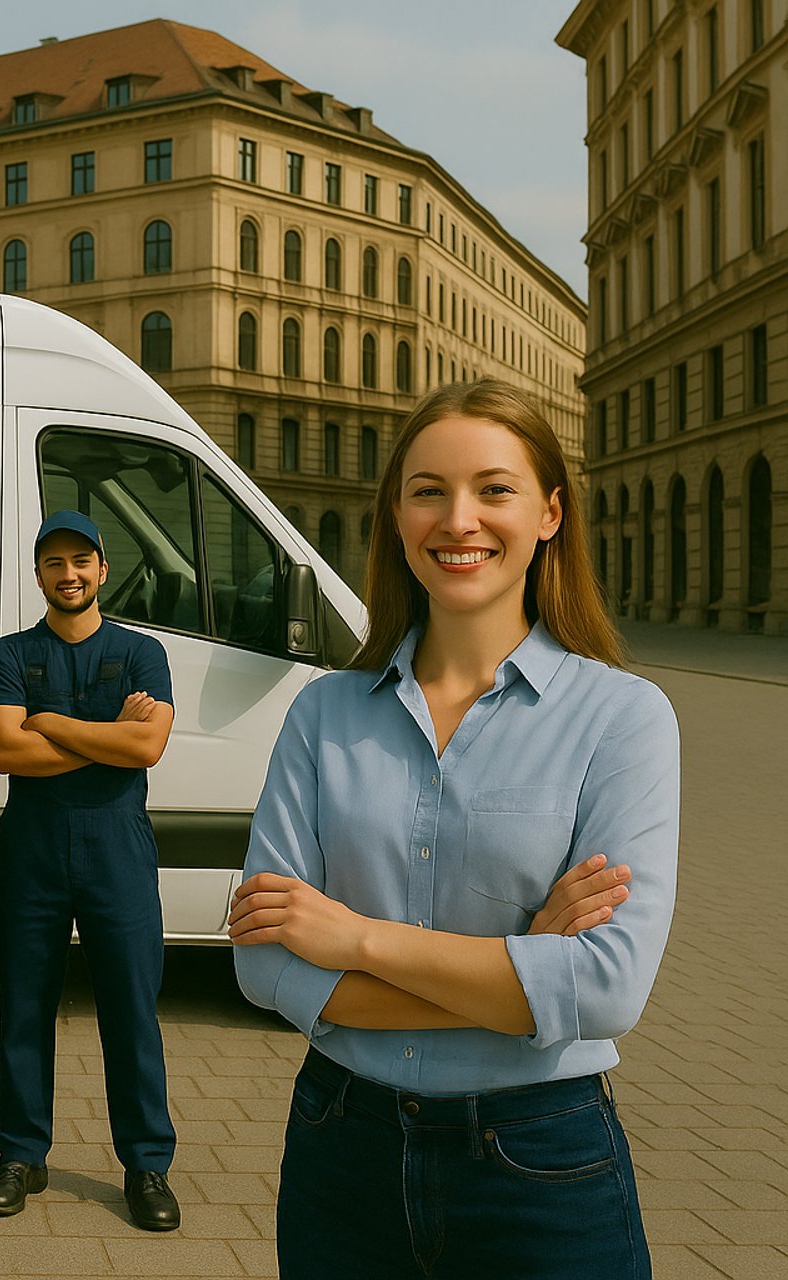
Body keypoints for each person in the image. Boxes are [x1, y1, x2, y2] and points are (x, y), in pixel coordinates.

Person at [230, 379, 677, 1279]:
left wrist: (355, 938)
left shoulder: (624, 718)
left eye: (494, 489)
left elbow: (604, 991)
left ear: (550, 513)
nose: (458, 518)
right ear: (397, 515)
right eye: (427, 489)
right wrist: (519, 971)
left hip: (539, 1164)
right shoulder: (323, 714)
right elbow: (266, 963)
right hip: (340, 1148)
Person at [0, 510, 182, 1231]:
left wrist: (51, 722)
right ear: (39, 575)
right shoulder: (9, 654)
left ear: (101, 569)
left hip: (116, 848)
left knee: (131, 1010)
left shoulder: (143, 653)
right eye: (54, 563)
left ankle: (147, 1166)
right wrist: (109, 736)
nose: (69, 574)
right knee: (25, 1006)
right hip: (33, 847)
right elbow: (5, 753)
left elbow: (148, 748)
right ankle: (20, 1153)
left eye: (81, 561)